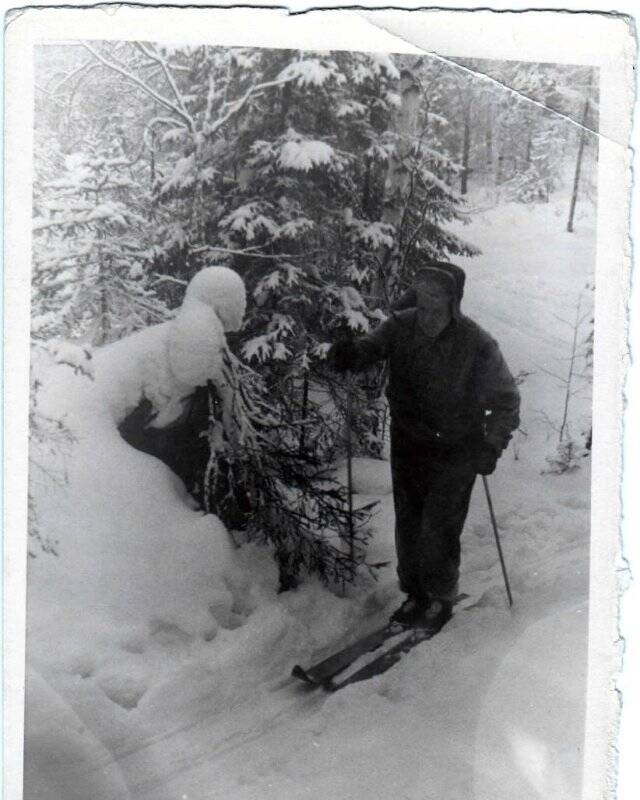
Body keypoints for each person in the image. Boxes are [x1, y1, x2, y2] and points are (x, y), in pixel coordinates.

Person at [328, 260, 520, 631]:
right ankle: (415, 593)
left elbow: (507, 401)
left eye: (437, 299)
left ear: (454, 301)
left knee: (439, 528)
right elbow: (371, 347)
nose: (428, 308)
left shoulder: (477, 344)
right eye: (423, 296)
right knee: (410, 523)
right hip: (409, 442)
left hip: (458, 449)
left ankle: (441, 598)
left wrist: (491, 445)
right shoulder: (401, 326)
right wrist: (352, 354)